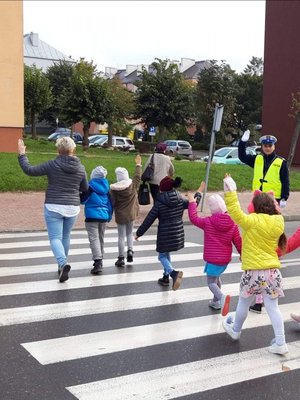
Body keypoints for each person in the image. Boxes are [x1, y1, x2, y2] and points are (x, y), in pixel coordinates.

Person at [222, 174, 288, 355]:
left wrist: (230, 189)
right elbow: (276, 210)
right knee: (273, 308)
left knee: (243, 302)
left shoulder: (252, 221)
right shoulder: (279, 221)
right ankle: (281, 343)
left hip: (253, 273)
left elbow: (235, 211)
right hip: (273, 273)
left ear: (256, 207)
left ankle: (235, 330)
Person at [17, 137, 88, 283]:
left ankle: (62, 263)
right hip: (73, 207)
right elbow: (85, 188)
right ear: (73, 150)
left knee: (55, 238)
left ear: (58, 150)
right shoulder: (81, 168)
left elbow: (30, 170)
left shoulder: (52, 164)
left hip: (54, 205)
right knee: (66, 236)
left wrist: (22, 154)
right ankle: (61, 266)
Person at [238, 130, 290, 313]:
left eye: (270, 145)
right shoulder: (258, 159)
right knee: (257, 235)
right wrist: (242, 142)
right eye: (265, 146)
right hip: (257, 201)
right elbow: (242, 156)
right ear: (262, 146)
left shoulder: (281, 162)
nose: (267, 148)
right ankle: (260, 297)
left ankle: (261, 296)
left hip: (273, 203)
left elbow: (285, 179)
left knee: (265, 238)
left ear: (274, 146)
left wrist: (284, 197)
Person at [187, 182, 242, 316]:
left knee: (211, 282)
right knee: (216, 278)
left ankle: (221, 298)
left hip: (213, 259)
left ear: (212, 209)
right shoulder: (233, 222)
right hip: (224, 260)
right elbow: (238, 241)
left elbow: (193, 218)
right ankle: (216, 301)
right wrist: (242, 254)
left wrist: (192, 203)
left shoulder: (208, 222)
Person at [135, 175, 188, 290]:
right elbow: (193, 204)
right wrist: (197, 196)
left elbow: (149, 219)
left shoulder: (159, 202)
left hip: (165, 234)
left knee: (162, 256)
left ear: (162, 188)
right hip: (177, 233)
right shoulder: (180, 198)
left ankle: (173, 273)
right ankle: (165, 277)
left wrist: (139, 233)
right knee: (167, 254)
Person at [110, 154, 142, 267]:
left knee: (121, 236)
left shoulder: (113, 190)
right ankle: (130, 250)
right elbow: (138, 176)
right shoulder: (132, 185)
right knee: (130, 233)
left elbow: (112, 202)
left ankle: (120, 257)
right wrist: (138, 164)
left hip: (120, 215)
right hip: (131, 213)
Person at [81, 166, 113, 275]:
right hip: (104, 216)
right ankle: (101, 258)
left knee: (94, 239)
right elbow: (110, 204)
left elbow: (83, 200)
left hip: (91, 216)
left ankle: (97, 261)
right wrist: (109, 216)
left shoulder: (90, 187)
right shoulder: (107, 188)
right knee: (101, 238)